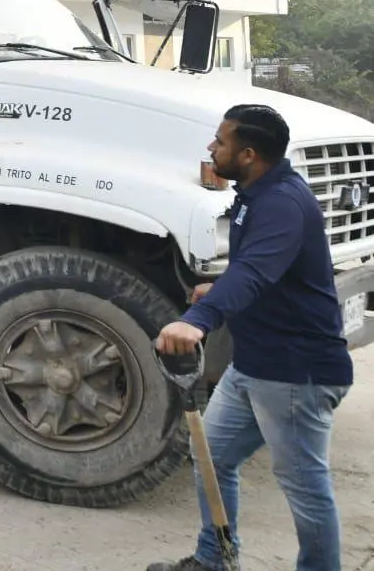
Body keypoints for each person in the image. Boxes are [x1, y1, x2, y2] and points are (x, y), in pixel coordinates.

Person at [150, 103, 353, 571]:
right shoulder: (257, 194)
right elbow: (259, 270)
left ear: (247, 154)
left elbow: (257, 273)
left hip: (294, 374)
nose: (210, 147)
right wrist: (218, 288)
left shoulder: (282, 203)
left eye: (219, 141)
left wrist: (198, 318)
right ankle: (214, 559)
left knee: (305, 488)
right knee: (211, 460)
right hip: (255, 366)